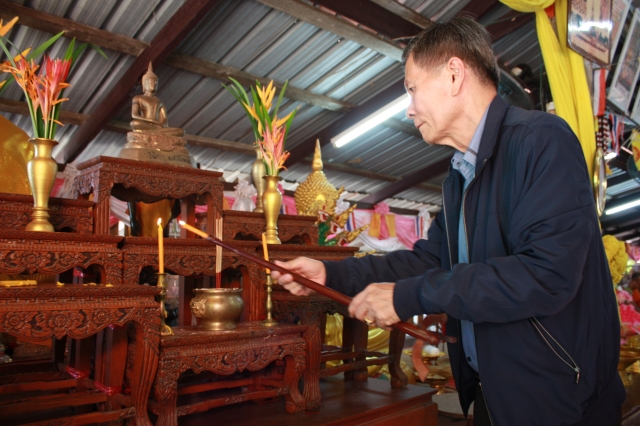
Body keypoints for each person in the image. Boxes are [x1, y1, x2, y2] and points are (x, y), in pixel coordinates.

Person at [272, 16, 624, 426]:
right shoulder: (459, 177)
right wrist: (330, 274)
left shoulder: (541, 140)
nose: (409, 109)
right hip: (494, 394)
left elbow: (546, 274)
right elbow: (428, 261)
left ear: (454, 75)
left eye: (412, 89)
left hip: (558, 401)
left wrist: (409, 296)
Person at [130, 62, 184, 136]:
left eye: (156, 83)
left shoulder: (159, 102)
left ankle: (154, 132)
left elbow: (164, 121)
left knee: (181, 131)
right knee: (134, 123)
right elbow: (134, 115)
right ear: (144, 84)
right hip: (145, 124)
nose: (153, 84)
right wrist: (150, 120)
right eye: (151, 82)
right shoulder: (138, 98)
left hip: (157, 127)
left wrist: (161, 125)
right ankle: (156, 132)